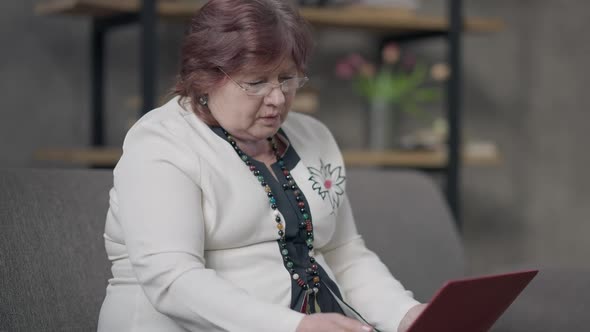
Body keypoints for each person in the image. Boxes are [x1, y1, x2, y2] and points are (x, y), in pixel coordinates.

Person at [97, 0, 426, 331]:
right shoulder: (161, 144)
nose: (278, 98)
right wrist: (292, 326)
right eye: (256, 83)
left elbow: (344, 253)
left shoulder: (314, 136)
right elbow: (172, 280)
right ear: (205, 78)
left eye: (287, 78)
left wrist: (405, 314)